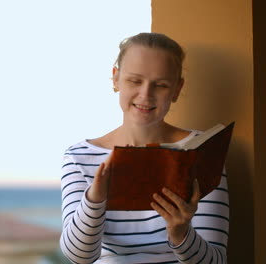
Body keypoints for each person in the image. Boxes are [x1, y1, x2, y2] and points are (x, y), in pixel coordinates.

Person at [59, 32, 229, 263]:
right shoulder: (80, 157)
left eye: (160, 85)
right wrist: (96, 197)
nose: (146, 94)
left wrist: (181, 234)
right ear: (115, 79)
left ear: (177, 89)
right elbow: (79, 257)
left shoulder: (198, 152)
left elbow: (216, 261)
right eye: (135, 81)